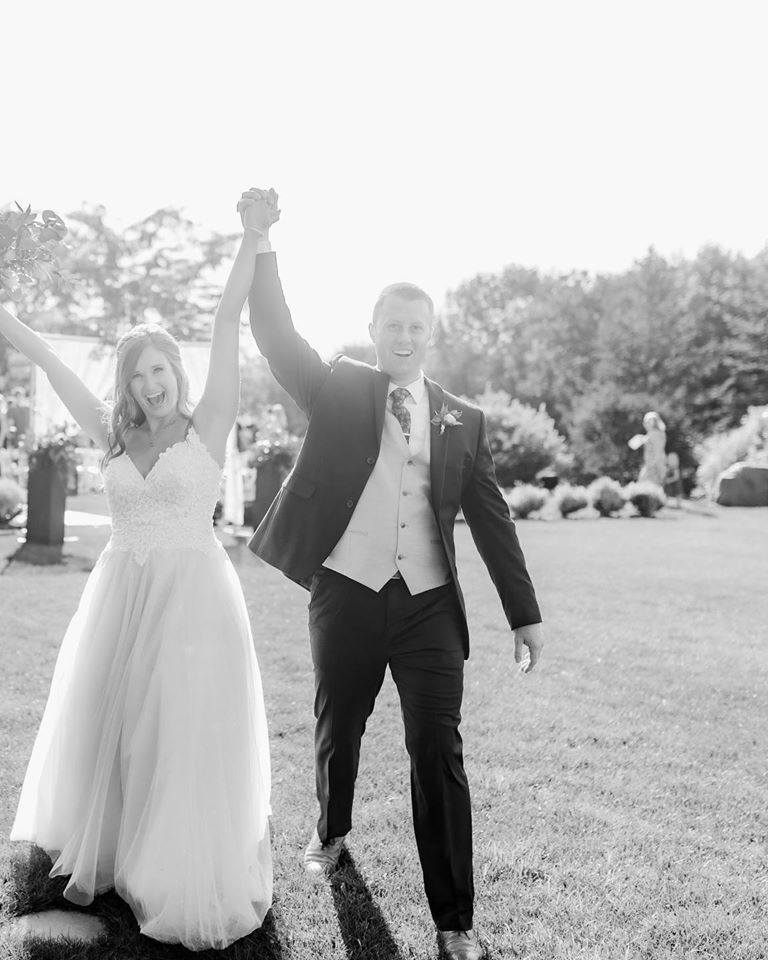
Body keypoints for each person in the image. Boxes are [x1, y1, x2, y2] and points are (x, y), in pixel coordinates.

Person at [238, 187, 543, 960]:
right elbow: (276, 337)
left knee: (436, 748)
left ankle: (453, 921)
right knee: (340, 724)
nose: (404, 337)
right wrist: (262, 243)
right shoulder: (338, 386)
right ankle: (331, 827)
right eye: (392, 325)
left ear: (429, 337)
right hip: (346, 589)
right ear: (374, 330)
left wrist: (524, 612)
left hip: (430, 607)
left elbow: (493, 516)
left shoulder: (462, 419)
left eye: (417, 328)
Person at [0, 199, 274, 951]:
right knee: (121, 723)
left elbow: (228, 320)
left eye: (160, 370)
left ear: (177, 370)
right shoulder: (112, 434)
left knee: (178, 728)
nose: (151, 385)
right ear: (128, 385)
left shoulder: (209, 425)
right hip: (118, 594)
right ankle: (118, 847)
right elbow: (47, 358)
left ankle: (173, 862)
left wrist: (253, 240)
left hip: (191, 597)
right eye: (138, 377)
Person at [628, 411, 667, 486]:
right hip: (652, 465)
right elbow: (632, 445)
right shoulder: (652, 434)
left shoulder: (656, 434)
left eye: (649, 421)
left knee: (645, 486)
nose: (646, 424)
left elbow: (658, 452)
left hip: (654, 466)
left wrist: (652, 466)